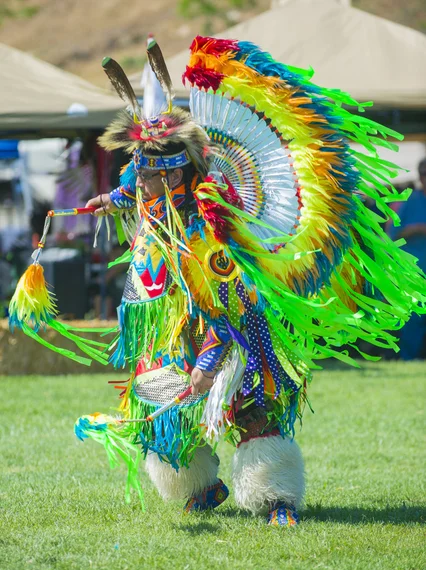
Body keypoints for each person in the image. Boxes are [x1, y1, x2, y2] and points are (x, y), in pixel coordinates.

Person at [11, 37, 426, 526]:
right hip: (170, 332)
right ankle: (200, 487)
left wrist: (208, 365)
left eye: (146, 176)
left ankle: (275, 498)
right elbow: (130, 191)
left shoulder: (207, 232)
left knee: (251, 409)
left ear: (174, 178)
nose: (136, 184)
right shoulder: (154, 205)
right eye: (136, 176)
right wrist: (107, 199)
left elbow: (227, 309)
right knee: (162, 407)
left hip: (231, 337)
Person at [387, 158, 426, 359]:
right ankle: (408, 357)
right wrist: (412, 230)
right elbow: (391, 235)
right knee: (415, 315)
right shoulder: (409, 202)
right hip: (415, 269)